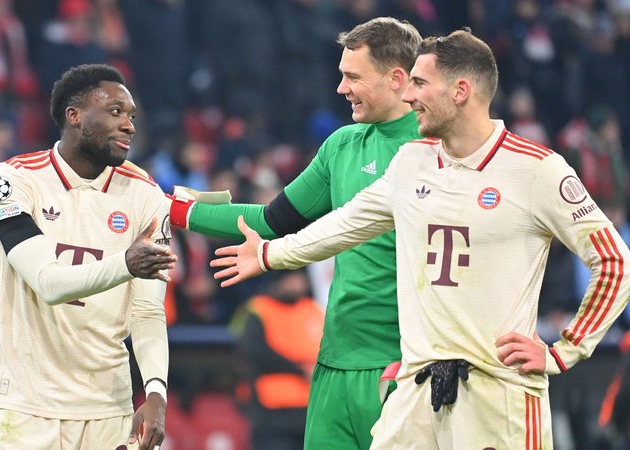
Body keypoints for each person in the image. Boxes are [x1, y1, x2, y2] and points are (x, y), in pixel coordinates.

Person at [211, 29, 630, 449]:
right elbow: (346, 223)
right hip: (416, 390)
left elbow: (614, 262)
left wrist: (565, 349)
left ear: (460, 91)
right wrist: (270, 254)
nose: (408, 96)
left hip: (495, 394)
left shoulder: (537, 169)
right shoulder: (413, 160)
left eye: (420, 83)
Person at [169, 17, 422, 449]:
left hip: (405, 368)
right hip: (333, 365)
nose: (341, 88)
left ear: (397, 79)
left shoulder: (437, 151)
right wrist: (174, 210)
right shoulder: (342, 145)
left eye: (352, 77)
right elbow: (271, 220)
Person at [0, 64, 176, 450]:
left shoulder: (148, 196)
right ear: (75, 115)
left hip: (109, 411)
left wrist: (155, 390)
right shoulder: (12, 181)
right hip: (26, 411)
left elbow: (147, 311)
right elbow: (49, 283)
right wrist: (125, 264)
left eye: (132, 116)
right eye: (115, 112)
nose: (129, 126)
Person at [232, 269, 323, 450]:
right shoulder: (259, 308)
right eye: (290, 277)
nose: (296, 282)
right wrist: (299, 370)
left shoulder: (313, 309)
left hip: (310, 406)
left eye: (299, 277)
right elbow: (255, 351)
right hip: (272, 409)